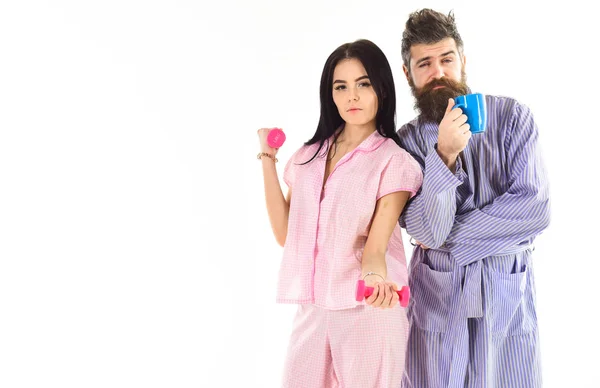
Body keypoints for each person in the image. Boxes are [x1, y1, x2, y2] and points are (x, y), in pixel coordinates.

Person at [396, 9, 551, 388]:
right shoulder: (405, 144)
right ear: (408, 74)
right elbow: (428, 230)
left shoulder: (513, 118)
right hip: (438, 299)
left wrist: (449, 240)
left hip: (503, 294)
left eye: (446, 59)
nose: (439, 72)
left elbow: (534, 208)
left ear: (463, 61)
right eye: (425, 63)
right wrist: (444, 156)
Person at [257, 39, 423, 387]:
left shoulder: (394, 161)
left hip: (367, 310)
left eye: (363, 84)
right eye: (341, 86)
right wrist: (268, 159)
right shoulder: (307, 157)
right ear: (329, 94)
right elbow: (286, 235)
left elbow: (376, 247)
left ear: (381, 89)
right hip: (313, 310)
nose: (352, 96)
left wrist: (376, 281)